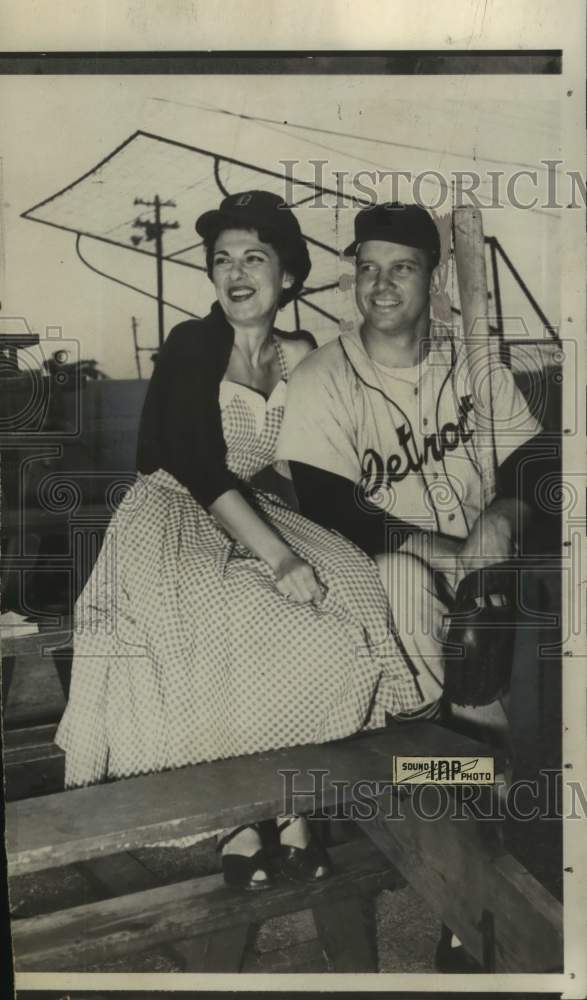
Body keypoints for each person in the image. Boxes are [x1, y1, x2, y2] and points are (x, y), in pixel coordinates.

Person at [55, 191, 427, 893]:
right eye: (221, 259)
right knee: (230, 610)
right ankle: (240, 819)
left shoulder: (301, 353)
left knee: (346, 588)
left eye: (253, 256)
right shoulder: (193, 343)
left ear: (288, 274)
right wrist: (281, 558)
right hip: (172, 512)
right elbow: (194, 463)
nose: (235, 271)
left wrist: (349, 541)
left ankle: (293, 804)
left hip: (255, 509)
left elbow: (306, 471)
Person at [276, 201, 543, 728]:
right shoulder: (320, 377)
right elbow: (333, 514)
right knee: (399, 580)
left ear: (435, 278)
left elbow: (537, 464)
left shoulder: (473, 364)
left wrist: (504, 515)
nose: (380, 285)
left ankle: (486, 767)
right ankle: (437, 757)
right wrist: (453, 555)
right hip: (382, 584)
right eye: (368, 268)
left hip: (484, 573)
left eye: (402, 267)